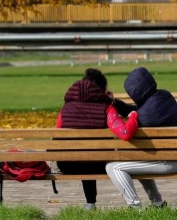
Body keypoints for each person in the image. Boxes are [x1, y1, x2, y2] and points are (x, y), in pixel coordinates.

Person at [56, 68, 138, 210]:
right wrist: (133, 115)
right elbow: (124, 133)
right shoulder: (106, 108)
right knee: (91, 155)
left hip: (67, 164)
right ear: (101, 90)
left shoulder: (66, 109)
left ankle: (90, 203)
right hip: (98, 164)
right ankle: (135, 202)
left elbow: (57, 135)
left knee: (82, 153)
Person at [106, 66, 177, 209]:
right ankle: (158, 204)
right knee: (139, 159)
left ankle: (135, 207)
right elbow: (139, 111)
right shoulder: (165, 95)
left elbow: (136, 117)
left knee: (113, 167)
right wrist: (116, 103)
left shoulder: (145, 117)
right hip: (171, 156)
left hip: (168, 162)